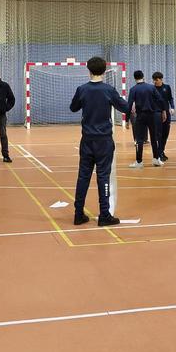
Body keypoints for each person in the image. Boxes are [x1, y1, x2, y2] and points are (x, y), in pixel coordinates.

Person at [69, 57, 129, 226]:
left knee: (83, 176)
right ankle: (104, 215)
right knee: (103, 176)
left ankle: (78, 213)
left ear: (88, 70)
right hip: (103, 140)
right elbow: (125, 108)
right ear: (104, 71)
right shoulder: (109, 90)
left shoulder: (82, 89)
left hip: (87, 140)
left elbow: (73, 108)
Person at [126, 70, 165, 167]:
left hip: (140, 117)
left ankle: (139, 162)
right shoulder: (151, 87)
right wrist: (163, 110)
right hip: (152, 115)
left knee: (139, 139)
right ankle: (156, 159)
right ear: (143, 77)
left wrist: (127, 119)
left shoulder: (133, 89)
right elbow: (160, 99)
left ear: (134, 78)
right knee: (153, 138)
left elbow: (129, 105)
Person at [152, 72, 175, 162]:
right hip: (156, 114)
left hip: (167, 114)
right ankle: (159, 153)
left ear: (161, 79)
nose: (155, 82)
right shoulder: (152, 88)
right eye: (154, 80)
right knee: (158, 134)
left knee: (165, 134)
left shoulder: (167, 87)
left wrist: (172, 107)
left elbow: (170, 98)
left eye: (156, 80)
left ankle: (161, 151)